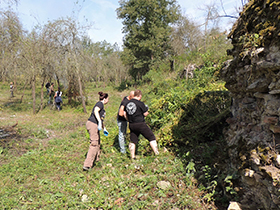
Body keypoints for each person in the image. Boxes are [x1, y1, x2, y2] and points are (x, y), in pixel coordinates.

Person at [123, 89, 159, 159]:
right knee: (151, 137)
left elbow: (124, 114)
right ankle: (157, 154)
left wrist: (129, 120)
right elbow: (145, 114)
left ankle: (132, 157)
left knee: (133, 140)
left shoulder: (127, 103)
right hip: (140, 124)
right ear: (139, 96)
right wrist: (147, 111)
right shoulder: (140, 103)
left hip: (131, 124)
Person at [83, 91, 109, 171]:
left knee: (97, 142)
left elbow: (100, 118)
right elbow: (95, 111)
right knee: (94, 143)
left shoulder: (102, 108)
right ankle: (87, 165)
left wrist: (104, 128)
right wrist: (99, 122)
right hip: (92, 124)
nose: (108, 100)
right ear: (105, 99)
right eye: (108, 99)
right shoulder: (100, 104)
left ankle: (96, 159)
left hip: (94, 124)